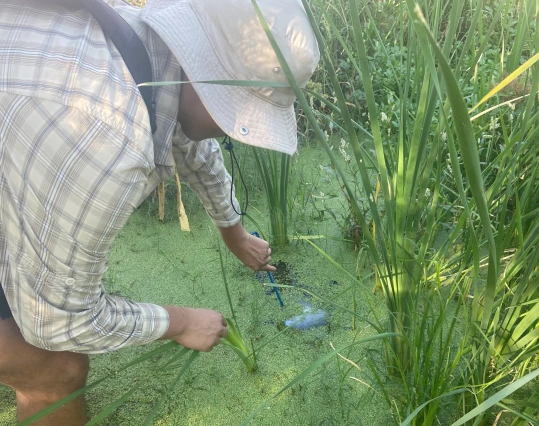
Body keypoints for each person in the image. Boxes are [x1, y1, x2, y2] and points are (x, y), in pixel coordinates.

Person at [0, 0, 319, 423]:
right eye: (237, 113)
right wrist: (181, 321)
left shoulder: (141, 50)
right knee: (56, 368)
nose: (234, 130)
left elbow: (191, 144)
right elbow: (58, 322)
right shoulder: (107, 144)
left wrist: (234, 233)